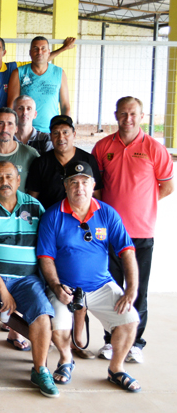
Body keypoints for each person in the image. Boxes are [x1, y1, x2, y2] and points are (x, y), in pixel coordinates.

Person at [37, 162, 141, 392]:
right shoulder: (53, 215)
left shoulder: (106, 213)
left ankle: (116, 369)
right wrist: (55, 286)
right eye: (73, 182)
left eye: (85, 182)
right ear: (65, 186)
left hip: (101, 285)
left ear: (93, 185)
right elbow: (46, 258)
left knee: (130, 320)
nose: (79, 187)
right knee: (58, 326)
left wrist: (131, 290)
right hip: (65, 288)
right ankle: (66, 360)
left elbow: (127, 251)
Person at [91, 96, 174, 363]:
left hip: (141, 231)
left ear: (142, 116)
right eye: (123, 114)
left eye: (133, 114)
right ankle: (110, 341)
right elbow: (98, 188)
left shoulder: (154, 148)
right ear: (116, 115)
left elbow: (167, 186)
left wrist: (143, 204)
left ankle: (135, 342)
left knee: (138, 288)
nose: (128, 119)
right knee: (111, 288)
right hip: (110, 233)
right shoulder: (103, 146)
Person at [0, 161, 58, 398]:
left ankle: (40, 369)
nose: (4, 182)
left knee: (41, 311)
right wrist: (2, 290)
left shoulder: (34, 206)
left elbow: (48, 244)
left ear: (18, 180)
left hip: (26, 279)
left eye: (9, 177)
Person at [0, 36, 74, 122]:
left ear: (4, 52)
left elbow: (40, 60)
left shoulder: (13, 67)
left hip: (4, 121)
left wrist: (63, 48)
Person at [27, 115, 102, 209]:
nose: (61, 138)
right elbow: (32, 199)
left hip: (81, 219)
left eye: (65, 132)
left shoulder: (88, 160)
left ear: (74, 134)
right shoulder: (40, 163)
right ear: (50, 136)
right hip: (49, 219)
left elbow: (96, 195)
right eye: (55, 133)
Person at [7, 36, 72, 133]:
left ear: (49, 52)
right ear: (30, 52)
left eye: (43, 49)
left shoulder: (59, 73)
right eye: (35, 49)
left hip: (51, 132)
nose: (39, 52)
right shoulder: (18, 73)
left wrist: (67, 130)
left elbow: (65, 106)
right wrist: (12, 130)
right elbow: (11, 106)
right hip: (25, 132)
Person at [0, 108, 39, 191]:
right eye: (0, 123)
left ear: (16, 128)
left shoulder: (30, 154)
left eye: (10, 124)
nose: (5, 129)